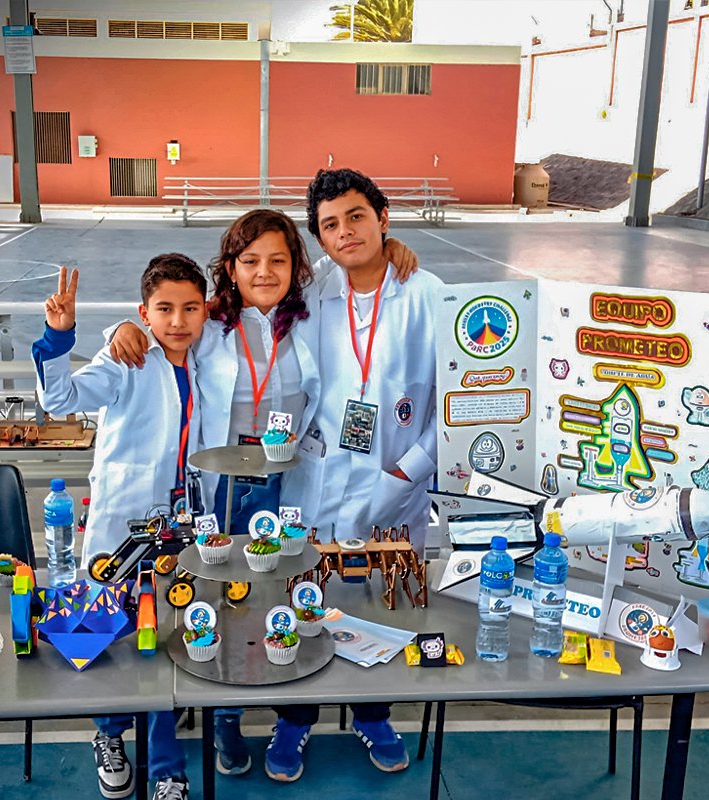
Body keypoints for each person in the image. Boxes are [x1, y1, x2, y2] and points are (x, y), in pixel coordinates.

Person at [107, 210, 419, 780]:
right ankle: (222, 715)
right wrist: (118, 332)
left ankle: (331, 714)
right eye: (250, 261)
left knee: (288, 600)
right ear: (230, 268)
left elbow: (352, 263)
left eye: (279, 260)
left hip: (291, 488)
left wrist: (385, 247)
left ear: (297, 267)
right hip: (222, 492)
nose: (265, 271)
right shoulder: (210, 323)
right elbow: (157, 332)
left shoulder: (314, 310)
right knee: (221, 601)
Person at [266, 168, 444, 781]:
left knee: (383, 608)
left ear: (383, 218)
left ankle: (373, 714)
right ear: (319, 236)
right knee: (307, 601)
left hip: (396, 487)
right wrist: (124, 328)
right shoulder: (312, 293)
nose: (345, 233)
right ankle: (294, 721)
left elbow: (458, 405)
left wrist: (406, 471)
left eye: (357, 217)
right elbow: (220, 311)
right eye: (330, 225)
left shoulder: (428, 295)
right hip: (317, 482)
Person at [33, 255, 207, 800]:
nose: (177, 321)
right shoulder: (126, 357)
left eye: (190, 308)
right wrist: (59, 337)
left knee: (166, 639)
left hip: (183, 523)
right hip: (122, 522)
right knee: (108, 630)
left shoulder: (207, 355)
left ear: (207, 312)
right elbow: (59, 399)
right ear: (143, 312)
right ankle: (109, 734)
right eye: (163, 309)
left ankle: (165, 768)